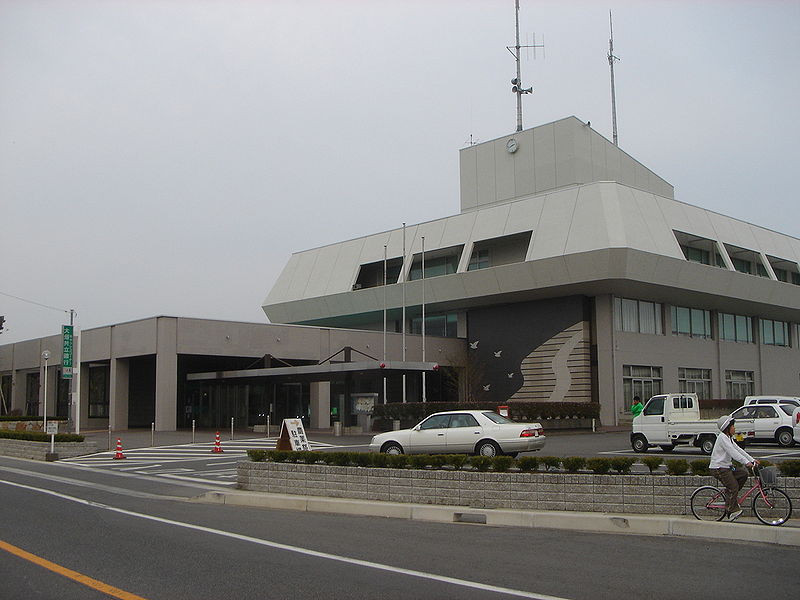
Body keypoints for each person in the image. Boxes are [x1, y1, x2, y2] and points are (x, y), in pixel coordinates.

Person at [709, 415, 758, 521]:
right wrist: (746, 462)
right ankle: (731, 511)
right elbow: (733, 453)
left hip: (727, 467)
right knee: (733, 487)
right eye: (733, 426)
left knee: (743, 474)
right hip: (719, 468)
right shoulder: (722, 438)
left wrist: (752, 460)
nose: (734, 428)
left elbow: (739, 450)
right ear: (727, 428)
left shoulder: (728, 438)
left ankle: (731, 498)